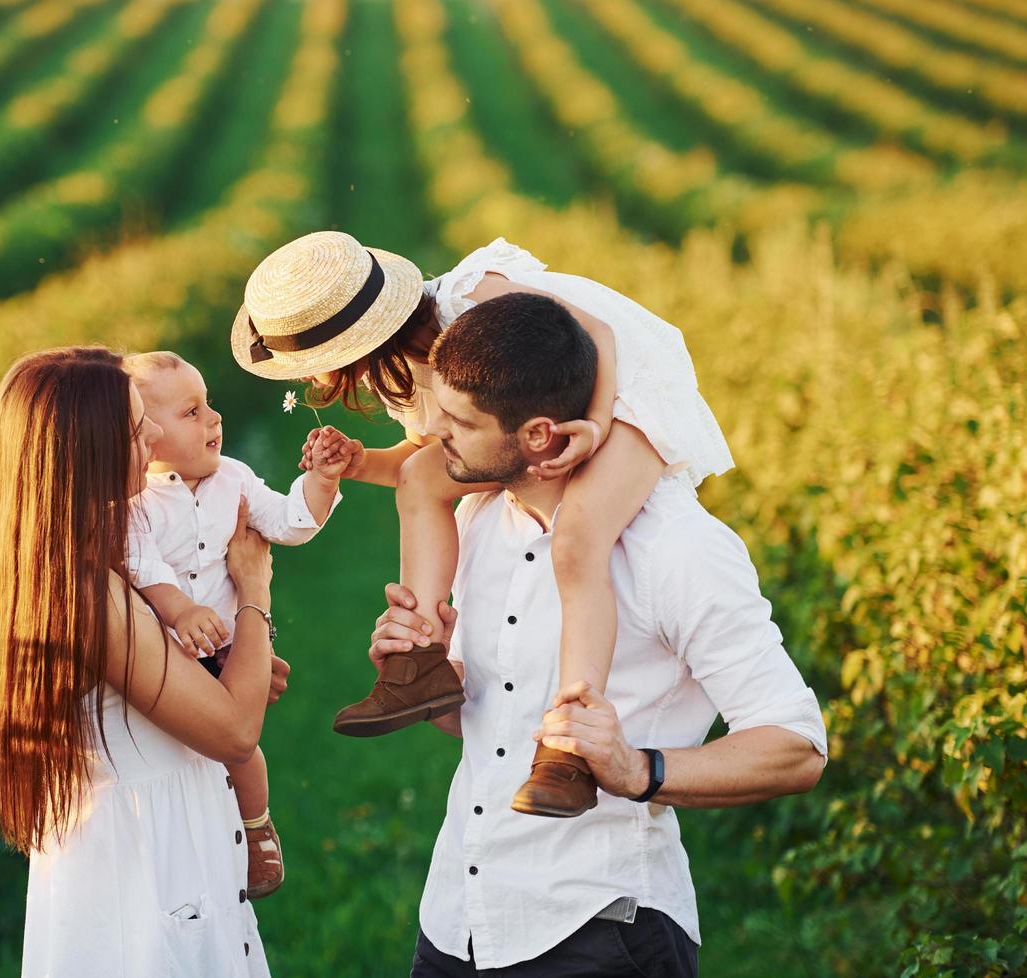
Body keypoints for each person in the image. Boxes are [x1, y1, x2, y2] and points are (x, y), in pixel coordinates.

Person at [361, 295, 826, 976]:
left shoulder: (678, 548)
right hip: (458, 921)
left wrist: (638, 769)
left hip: (599, 931)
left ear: (540, 436)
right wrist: (424, 674)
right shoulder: (481, 521)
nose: (434, 434)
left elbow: (796, 746)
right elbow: (485, 729)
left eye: (459, 422)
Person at [232, 231, 734, 819]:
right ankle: (416, 660)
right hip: (546, 413)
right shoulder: (407, 372)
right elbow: (439, 458)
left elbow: (596, 336)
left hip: (621, 389)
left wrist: (594, 427)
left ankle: (567, 744)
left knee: (578, 540)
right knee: (423, 479)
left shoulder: (476, 296)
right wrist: (361, 462)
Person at [0, 347, 280, 978]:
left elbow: (184, 695)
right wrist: (255, 590)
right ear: (85, 449)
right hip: (149, 860)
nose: (156, 435)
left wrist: (228, 669)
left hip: (143, 840)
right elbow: (236, 730)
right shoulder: (86, 584)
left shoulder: (66, 555)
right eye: (137, 428)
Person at [123, 350, 354, 899]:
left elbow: (285, 522)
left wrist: (320, 482)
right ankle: (205, 838)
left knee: (241, 750)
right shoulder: (136, 502)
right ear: (147, 435)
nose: (214, 419)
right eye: (192, 412)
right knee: (196, 751)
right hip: (172, 653)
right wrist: (181, 610)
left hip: (228, 649)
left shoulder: (235, 478)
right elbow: (141, 564)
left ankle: (255, 829)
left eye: (209, 405)